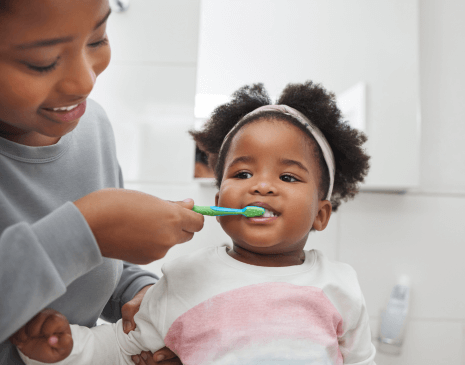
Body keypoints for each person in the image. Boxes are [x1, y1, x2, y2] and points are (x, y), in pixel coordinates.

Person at [13, 81, 376, 364]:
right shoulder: (186, 279)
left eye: (288, 178)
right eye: (244, 172)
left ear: (321, 214)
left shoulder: (340, 287)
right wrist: (62, 350)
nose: (262, 185)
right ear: (218, 203)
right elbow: (122, 351)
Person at [0, 0, 204, 364]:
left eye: (97, 39)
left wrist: (140, 293)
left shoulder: (91, 124)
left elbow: (98, 265)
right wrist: (86, 231)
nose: (85, 81)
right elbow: (86, 241)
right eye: (43, 61)